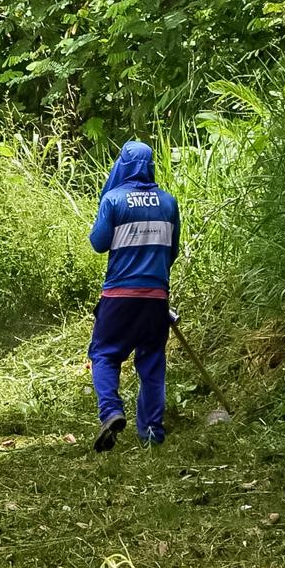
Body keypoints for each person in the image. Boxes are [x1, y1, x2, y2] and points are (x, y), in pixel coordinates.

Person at [88, 140, 181, 451]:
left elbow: (99, 243)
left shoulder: (114, 200)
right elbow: (173, 251)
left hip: (119, 296)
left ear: (123, 165)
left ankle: (111, 411)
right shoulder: (169, 202)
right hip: (156, 297)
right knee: (152, 361)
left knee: (104, 355)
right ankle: (152, 433)